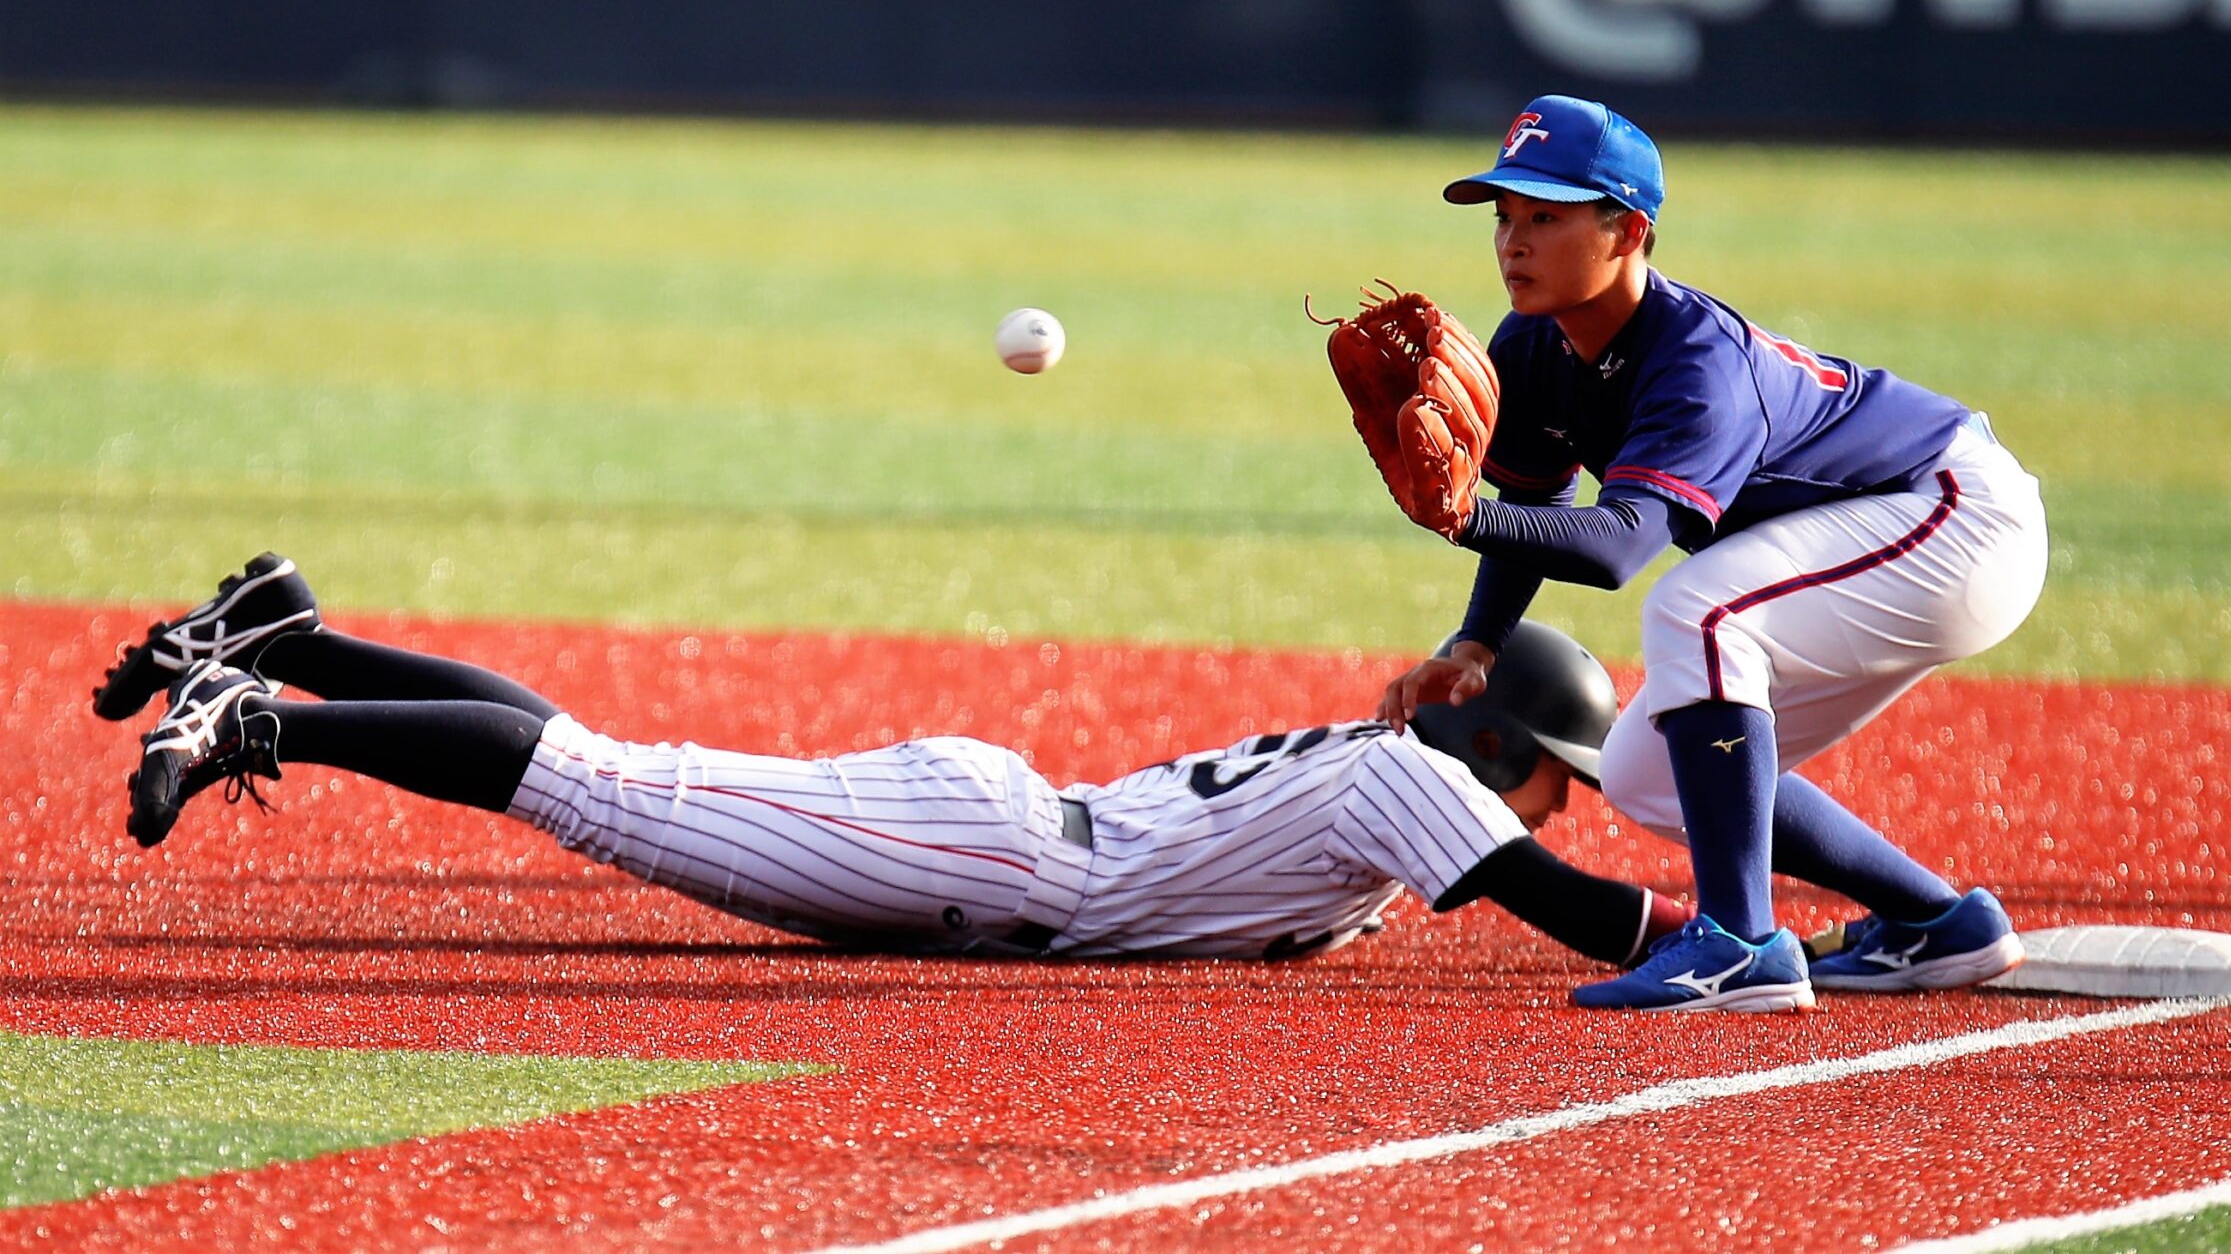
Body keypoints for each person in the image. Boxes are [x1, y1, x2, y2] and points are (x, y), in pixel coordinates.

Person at [97, 557, 1695, 967]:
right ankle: (252, 712)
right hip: (988, 857)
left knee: (604, 764)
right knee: (594, 782)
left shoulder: (1395, 768)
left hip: (994, 846)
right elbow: (1577, 913)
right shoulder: (1421, 782)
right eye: (1548, 765)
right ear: (1492, 745)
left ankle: (289, 635)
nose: (1555, 790)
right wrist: (1791, 942)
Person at [1376, 95, 2048, 1013]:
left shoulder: (1696, 363)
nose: (1511, 240)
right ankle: (1937, 921)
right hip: (1893, 537)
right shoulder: (1532, 346)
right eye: (1503, 214)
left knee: (1696, 607)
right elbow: (1536, 498)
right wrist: (1477, 644)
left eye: (1545, 215)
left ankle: (1740, 941)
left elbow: (1620, 550)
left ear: (1629, 233)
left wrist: (1460, 520)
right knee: (1643, 773)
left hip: (1957, 516)